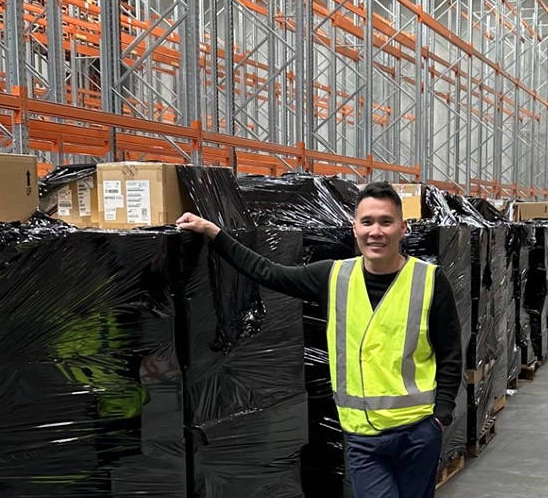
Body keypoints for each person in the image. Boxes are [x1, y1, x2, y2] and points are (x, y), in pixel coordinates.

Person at [175, 181, 462, 498]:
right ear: (355, 228)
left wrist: (441, 416)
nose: (376, 232)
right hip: (363, 437)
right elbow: (269, 272)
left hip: (417, 432)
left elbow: (450, 353)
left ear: (403, 227)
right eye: (367, 222)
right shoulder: (334, 277)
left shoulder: (430, 280)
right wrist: (214, 234)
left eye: (386, 221)